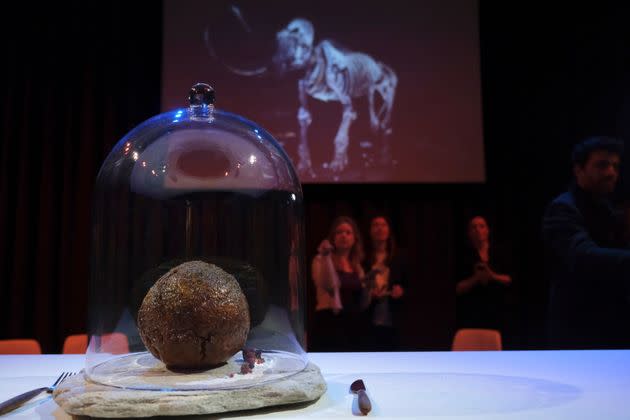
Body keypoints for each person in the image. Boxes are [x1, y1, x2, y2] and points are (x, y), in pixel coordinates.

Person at [543, 136, 630, 349]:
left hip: (610, 328)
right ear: (579, 170)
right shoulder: (563, 208)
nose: (611, 172)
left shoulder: (608, 208)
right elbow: (582, 256)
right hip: (578, 331)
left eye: (615, 166)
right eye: (602, 165)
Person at [310, 216, 370, 351]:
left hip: (353, 324)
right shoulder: (321, 259)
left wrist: (370, 289)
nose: (344, 235)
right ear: (333, 238)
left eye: (348, 232)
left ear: (355, 238)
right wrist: (326, 256)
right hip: (329, 322)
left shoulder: (357, 266)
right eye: (339, 232)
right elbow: (327, 285)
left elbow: (362, 301)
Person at [455, 215, 512, 331]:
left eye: (481, 226)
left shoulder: (499, 252)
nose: (477, 230)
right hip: (472, 314)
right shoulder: (464, 256)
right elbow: (458, 288)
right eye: (473, 227)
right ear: (469, 233)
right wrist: (475, 278)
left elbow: (509, 279)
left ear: (487, 230)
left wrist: (491, 275)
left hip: (497, 311)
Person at [362, 216, 408, 351]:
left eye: (383, 225)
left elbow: (410, 285)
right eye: (375, 225)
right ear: (370, 231)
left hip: (394, 319)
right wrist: (370, 294)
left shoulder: (399, 257)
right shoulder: (363, 258)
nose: (379, 228)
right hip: (368, 320)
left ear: (389, 230)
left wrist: (401, 291)